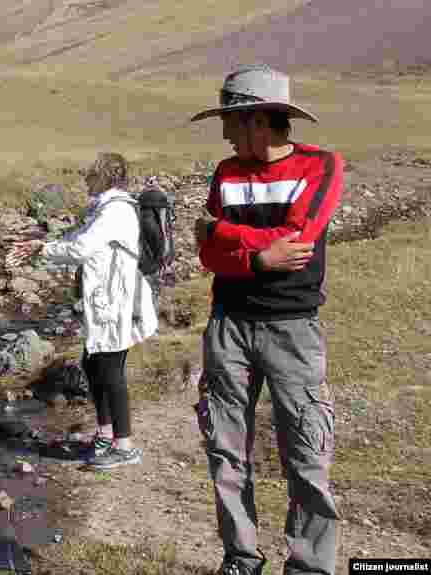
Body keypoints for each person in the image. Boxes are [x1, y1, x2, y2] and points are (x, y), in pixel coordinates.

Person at [190, 64, 344, 575]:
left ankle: (309, 566)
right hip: (228, 325)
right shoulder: (225, 172)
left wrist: (224, 233)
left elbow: (299, 241)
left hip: (292, 329)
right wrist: (256, 257)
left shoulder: (321, 165)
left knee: (306, 451)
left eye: (232, 121)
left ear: (259, 120)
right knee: (225, 451)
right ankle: (241, 558)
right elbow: (207, 256)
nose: (227, 132)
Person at [5, 152, 158, 470]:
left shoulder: (115, 210)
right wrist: (40, 246)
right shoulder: (105, 209)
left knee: (111, 370)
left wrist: (42, 249)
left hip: (115, 303)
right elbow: (78, 239)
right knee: (93, 363)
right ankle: (105, 434)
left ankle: (125, 446)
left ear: (104, 176)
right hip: (104, 302)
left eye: (89, 175)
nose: (85, 179)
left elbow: (81, 249)